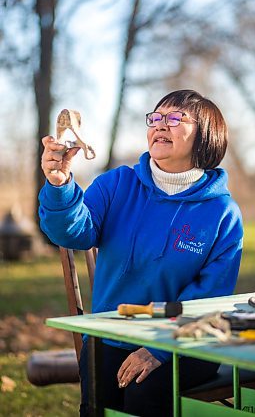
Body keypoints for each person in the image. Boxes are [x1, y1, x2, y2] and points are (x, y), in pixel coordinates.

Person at [39, 89, 243, 416]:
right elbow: (71, 233)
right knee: (98, 403)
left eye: (175, 118)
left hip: (185, 341)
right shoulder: (117, 184)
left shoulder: (222, 212)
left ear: (206, 136)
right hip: (112, 332)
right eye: (156, 118)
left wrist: (161, 349)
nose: (161, 125)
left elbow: (210, 294)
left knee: (143, 394)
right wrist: (61, 186)